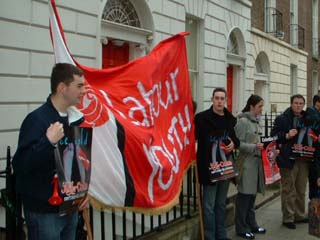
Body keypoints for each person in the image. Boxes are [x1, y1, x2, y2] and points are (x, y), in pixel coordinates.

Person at [12, 63, 89, 240]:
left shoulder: (75, 119)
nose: (84, 91)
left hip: (70, 207)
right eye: (79, 86)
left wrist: (83, 193)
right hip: (44, 211)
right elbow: (21, 165)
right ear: (62, 87)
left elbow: (77, 164)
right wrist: (48, 142)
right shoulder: (36, 120)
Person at [195, 87, 240, 240]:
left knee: (220, 204)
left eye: (222, 98)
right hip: (209, 168)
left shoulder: (229, 119)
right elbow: (192, 137)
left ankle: (221, 235)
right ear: (212, 99)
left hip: (226, 167)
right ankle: (210, 237)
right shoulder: (201, 118)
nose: (219, 101)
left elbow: (236, 140)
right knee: (208, 206)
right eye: (217, 98)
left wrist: (233, 143)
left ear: (225, 100)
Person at [271, 94, 309, 229]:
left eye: (301, 103)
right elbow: (273, 136)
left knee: (301, 189)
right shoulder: (282, 118)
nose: (298, 105)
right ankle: (288, 218)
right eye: (296, 103)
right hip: (288, 159)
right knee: (288, 189)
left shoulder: (307, 118)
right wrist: (286, 135)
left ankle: (299, 215)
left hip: (304, 159)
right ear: (291, 104)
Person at [234, 95, 266, 239]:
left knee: (252, 196)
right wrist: (254, 146)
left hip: (256, 164)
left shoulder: (257, 121)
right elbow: (237, 144)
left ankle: (251, 223)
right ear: (251, 106)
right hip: (246, 164)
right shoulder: (242, 122)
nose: (261, 109)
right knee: (244, 197)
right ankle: (241, 228)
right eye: (259, 106)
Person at [305, 95, 320, 199]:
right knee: (314, 178)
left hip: (315, 149)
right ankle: (314, 207)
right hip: (313, 150)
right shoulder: (312, 112)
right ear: (317, 103)